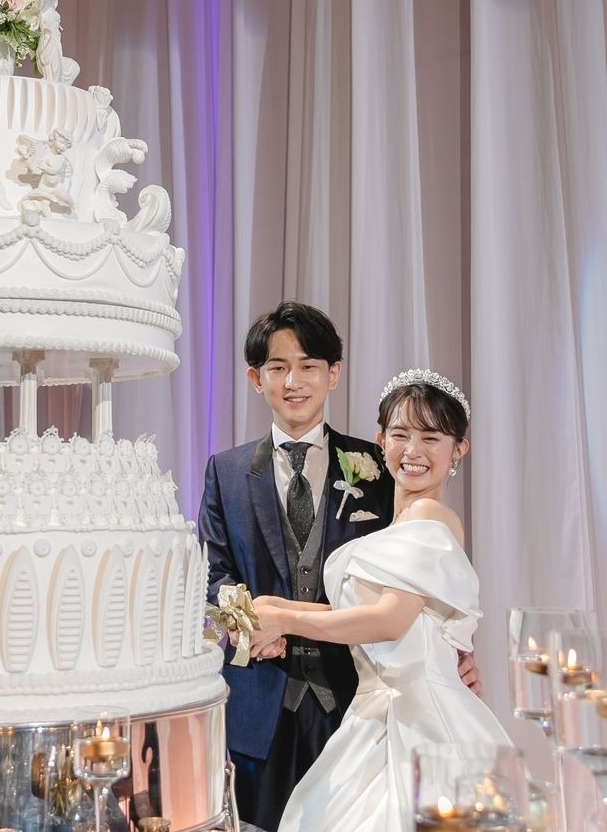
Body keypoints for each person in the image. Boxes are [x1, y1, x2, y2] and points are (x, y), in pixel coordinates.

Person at [201, 303, 477, 831]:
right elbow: (213, 579)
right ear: (256, 379)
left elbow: (425, 576)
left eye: (309, 365)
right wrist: (249, 627)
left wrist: (454, 652)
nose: (294, 381)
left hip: (356, 699)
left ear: (333, 374)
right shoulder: (225, 472)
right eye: (278, 368)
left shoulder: (384, 467)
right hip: (261, 704)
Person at [246, 370, 513, 832]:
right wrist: (272, 606)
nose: (413, 451)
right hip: (374, 711)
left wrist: (285, 621)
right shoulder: (399, 522)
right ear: (381, 440)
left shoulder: (430, 515)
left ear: (458, 450)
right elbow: (361, 616)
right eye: (400, 434)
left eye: (431, 438)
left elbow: (389, 621)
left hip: (418, 717)